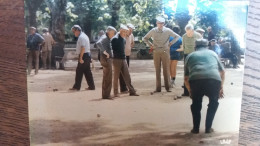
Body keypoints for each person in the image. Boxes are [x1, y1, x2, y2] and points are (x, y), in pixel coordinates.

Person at [184, 39, 225, 134]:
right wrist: (221, 87)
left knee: (196, 104)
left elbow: (186, 78)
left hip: (196, 80)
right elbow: (222, 72)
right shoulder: (213, 54)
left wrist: (190, 91)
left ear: (195, 46)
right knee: (213, 103)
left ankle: (195, 129)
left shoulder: (190, 56)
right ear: (207, 46)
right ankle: (208, 128)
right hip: (213, 80)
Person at [143, 17, 180, 92]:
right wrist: (150, 45)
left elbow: (177, 37)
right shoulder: (153, 31)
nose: (160, 25)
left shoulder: (167, 30)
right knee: (157, 70)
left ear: (164, 24)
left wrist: (170, 43)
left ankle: (168, 87)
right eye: (159, 23)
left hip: (165, 51)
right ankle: (158, 88)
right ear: (156, 23)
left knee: (166, 69)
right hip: (156, 51)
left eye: (162, 23)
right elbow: (145, 38)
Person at [111, 24, 139, 97]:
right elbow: (111, 49)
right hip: (116, 59)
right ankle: (115, 92)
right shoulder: (115, 39)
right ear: (120, 30)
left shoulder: (123, 39)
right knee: (116, 77)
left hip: (123, 59)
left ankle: (131, 91)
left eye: (126, 32)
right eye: (124, 32)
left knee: (127, 76)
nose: (125, 33)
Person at [69, 25, 95, 91]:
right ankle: (92, 86)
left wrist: (80, 58)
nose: (74, 33)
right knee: (87, 71)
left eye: (74, 31)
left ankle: (76, 87)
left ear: (77, 30)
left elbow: (83, 48)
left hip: (84, 55)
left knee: (79, 71)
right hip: (87, 55)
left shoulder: (81, 37)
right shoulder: (84, 36)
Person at [96, 26, 117, 99]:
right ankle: (107, 95)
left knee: (106, 77)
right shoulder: (105, 37)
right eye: (113, 33)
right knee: (108, 77)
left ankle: (105, 94)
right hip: (106, 59)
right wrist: (105, 52)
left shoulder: (106, 37)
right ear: (109, 32)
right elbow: (98, 43)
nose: (113, 35)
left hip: (105, 59)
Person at [181, 24, 202, 96]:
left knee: (197, 72)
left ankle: (197, 91)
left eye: (189, 33)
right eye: (186, 32)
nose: (188, 34)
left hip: (196, 55)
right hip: (187, 55)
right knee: (186, 73)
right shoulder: (184, 36)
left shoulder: (198, 35)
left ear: (193, 31)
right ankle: (186, 92)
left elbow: (202, 46)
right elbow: (183, 46)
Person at [119, 23, 135, 93]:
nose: (131, 32)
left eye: (132, 30)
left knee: (126, 72)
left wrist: (130, 47)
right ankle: (123, 88)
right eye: (130, 30)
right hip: (122, 56)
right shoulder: (122, 35)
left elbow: (132, 42)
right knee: (121, 73)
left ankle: (127, 87)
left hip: (127, 55)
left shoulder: (131, 35)